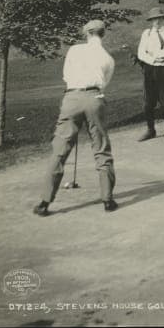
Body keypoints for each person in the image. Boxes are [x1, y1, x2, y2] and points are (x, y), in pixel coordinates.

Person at [33, 19, 118, 216]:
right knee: (101, 148)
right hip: (95, 98)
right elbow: (104, 84)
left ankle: (45, 202)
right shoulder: (108, 58)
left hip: (72, 98)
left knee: (60, 150)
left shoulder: (74, 50)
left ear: (87, 33)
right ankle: (107, 200)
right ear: (102, 34)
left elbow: (66, 75)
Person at [133, 6, 164, 142]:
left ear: (162, 18)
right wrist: (153, 59)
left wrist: (155, 55)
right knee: (148, 103)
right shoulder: (146, 34)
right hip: (149, 70)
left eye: (158, 18)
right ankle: (150, 130)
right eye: (153, 19)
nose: (156, 21)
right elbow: (141, 53)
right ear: (150, 21)